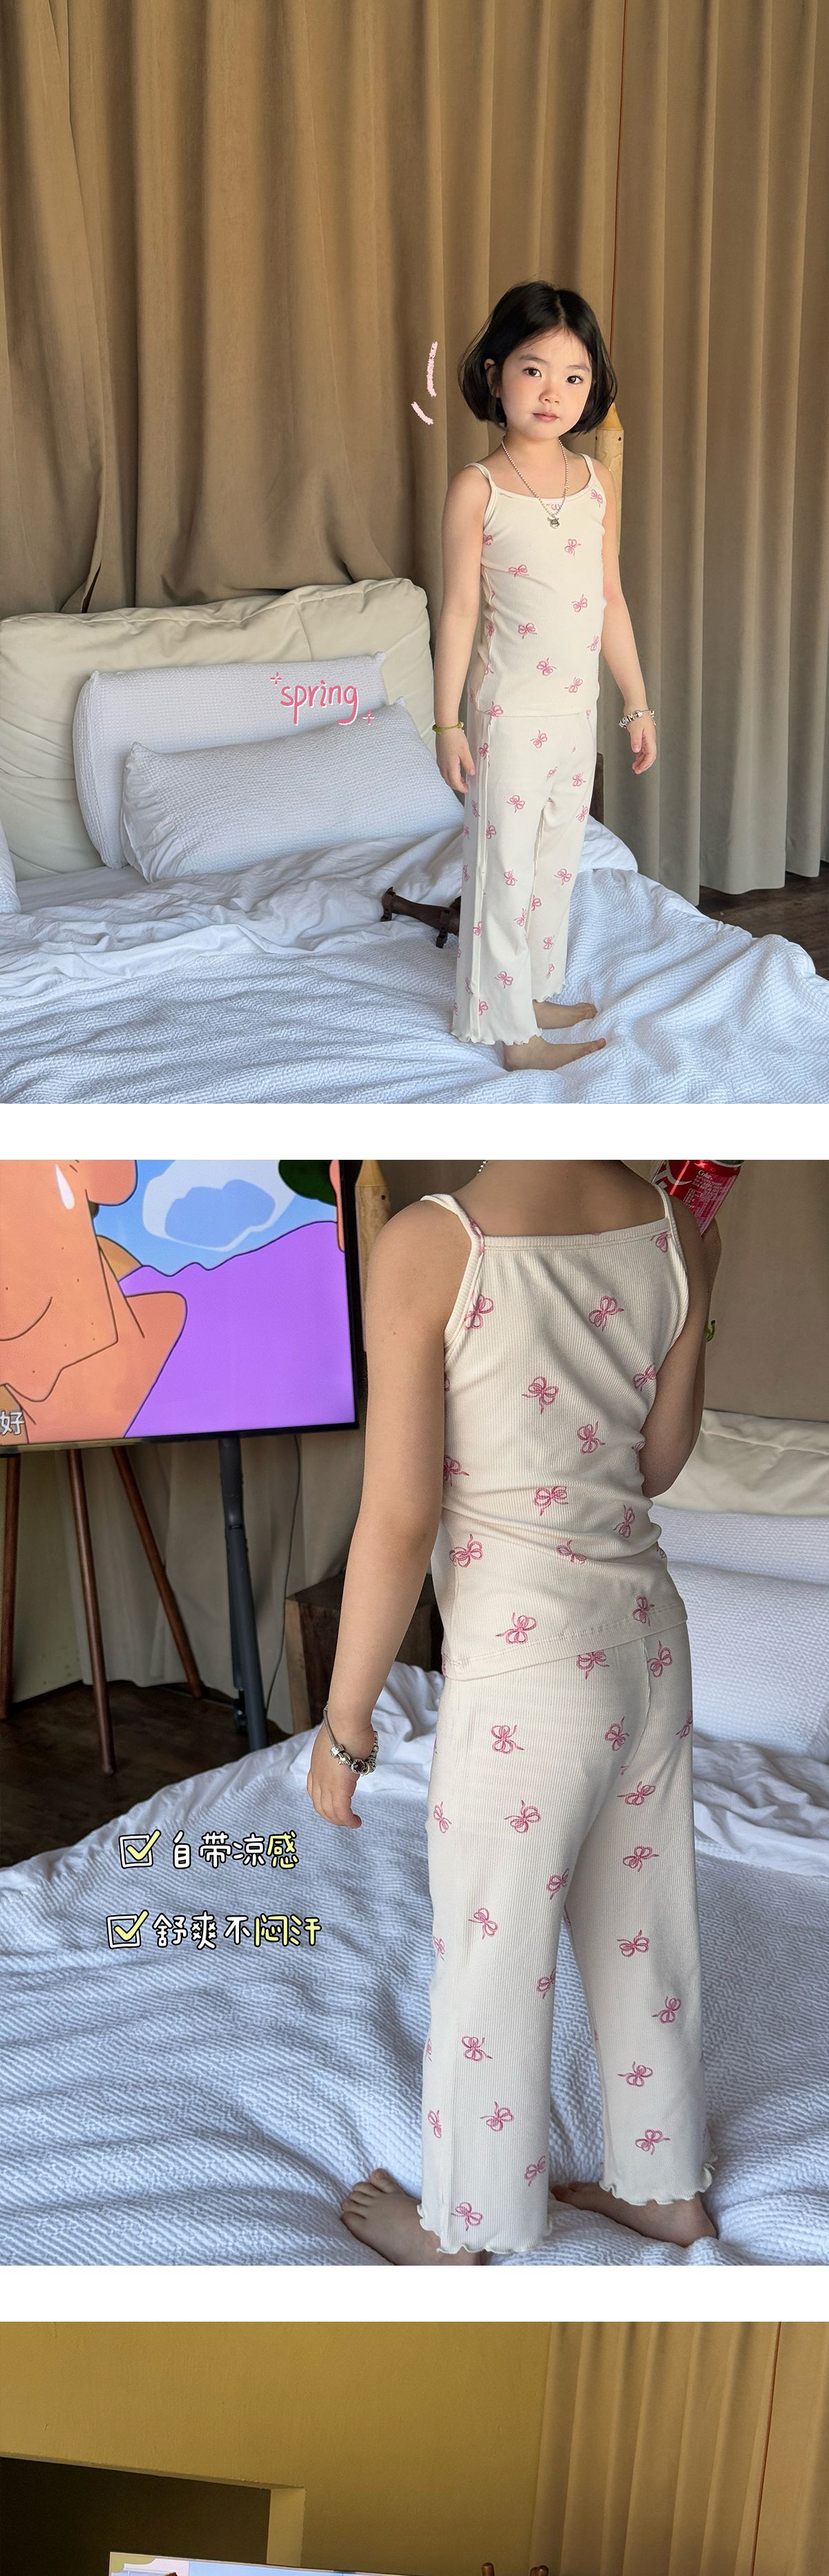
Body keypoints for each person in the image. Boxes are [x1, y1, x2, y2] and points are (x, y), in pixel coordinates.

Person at [306, 1161, 722, 2266]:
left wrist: (346, 1720)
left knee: (490, 1949)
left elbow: (400, 1517)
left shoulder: (432, 1244)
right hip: (650, 1641)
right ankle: (667, 2186)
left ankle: (465, 2228)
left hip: (527, 1671)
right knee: (644, 1932)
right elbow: (657, 1464)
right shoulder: (677, 1227)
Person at [430, 280, 656, 1071]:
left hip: (576, 715)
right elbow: (458, 611)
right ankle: (511, 1033)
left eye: (574, 375)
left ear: (592, 387)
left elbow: (611, 598)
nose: (553, 391)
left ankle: (531, 990)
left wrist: (636, 703)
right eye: (534, 370)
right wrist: (447, 723)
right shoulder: (478, 487)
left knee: (557, 865)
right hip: (509, 719)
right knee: (504, 871)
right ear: (496, 376)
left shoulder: (598, 484)